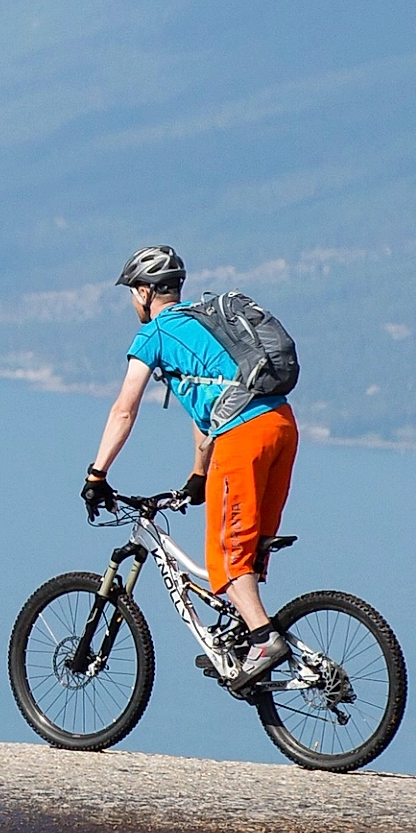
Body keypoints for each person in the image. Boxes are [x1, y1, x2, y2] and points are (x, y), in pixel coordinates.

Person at [82, 244, 298, 683]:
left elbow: (125, 408)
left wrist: (97, 473)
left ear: (144, 292)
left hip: (244, 435)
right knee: (251, 544)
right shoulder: (205, 323)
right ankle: (241, 635)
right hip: (281, 425)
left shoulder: (156, 335)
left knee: (225, 555)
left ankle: (262, 640)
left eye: (131, 291)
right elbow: (209, 416)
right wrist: (200, 476)